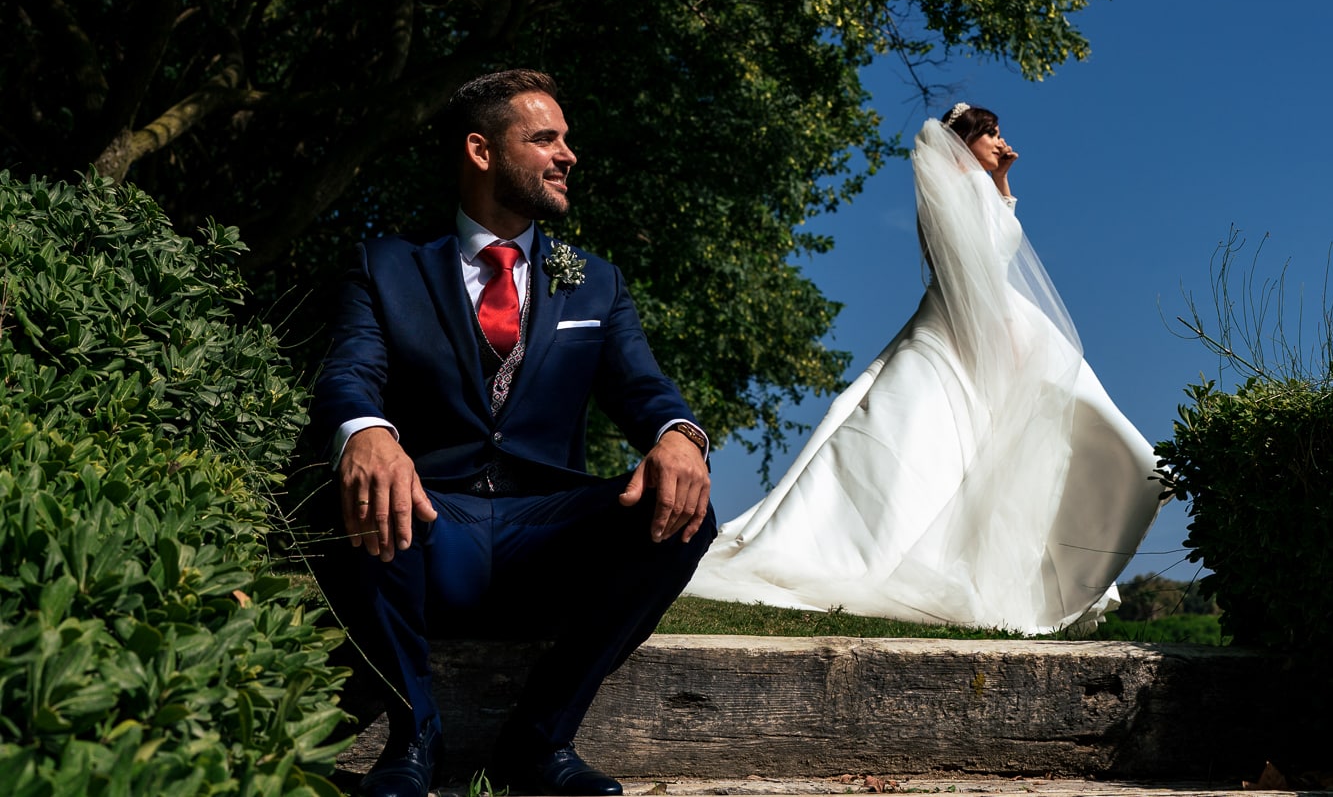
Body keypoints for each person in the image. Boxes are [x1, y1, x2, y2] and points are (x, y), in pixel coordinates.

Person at [308, 69, 715, 797]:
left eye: (568, 140)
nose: (569, 154)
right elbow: (349, 375)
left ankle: (540, 739)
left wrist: (681, 433)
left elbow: (645, 389)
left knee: (686, 515)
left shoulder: (595, 282)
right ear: (481, 149)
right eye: (545, 138)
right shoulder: (387, 267)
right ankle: (413, 736)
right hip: (429, 530)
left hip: (545, 538)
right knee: (349, 482)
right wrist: (366, 431)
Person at [686, 103, 1163, 634]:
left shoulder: (979, 189)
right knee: (926, 438)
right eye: (991, 134)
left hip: (999, 320)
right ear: (964, 141)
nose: (1001, 141)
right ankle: (862, 551)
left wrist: (1002, 183)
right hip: (970, 324)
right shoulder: (948, 190)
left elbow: (998, 245)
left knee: (1048, 430)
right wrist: (1004, 336)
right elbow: (967, 268)